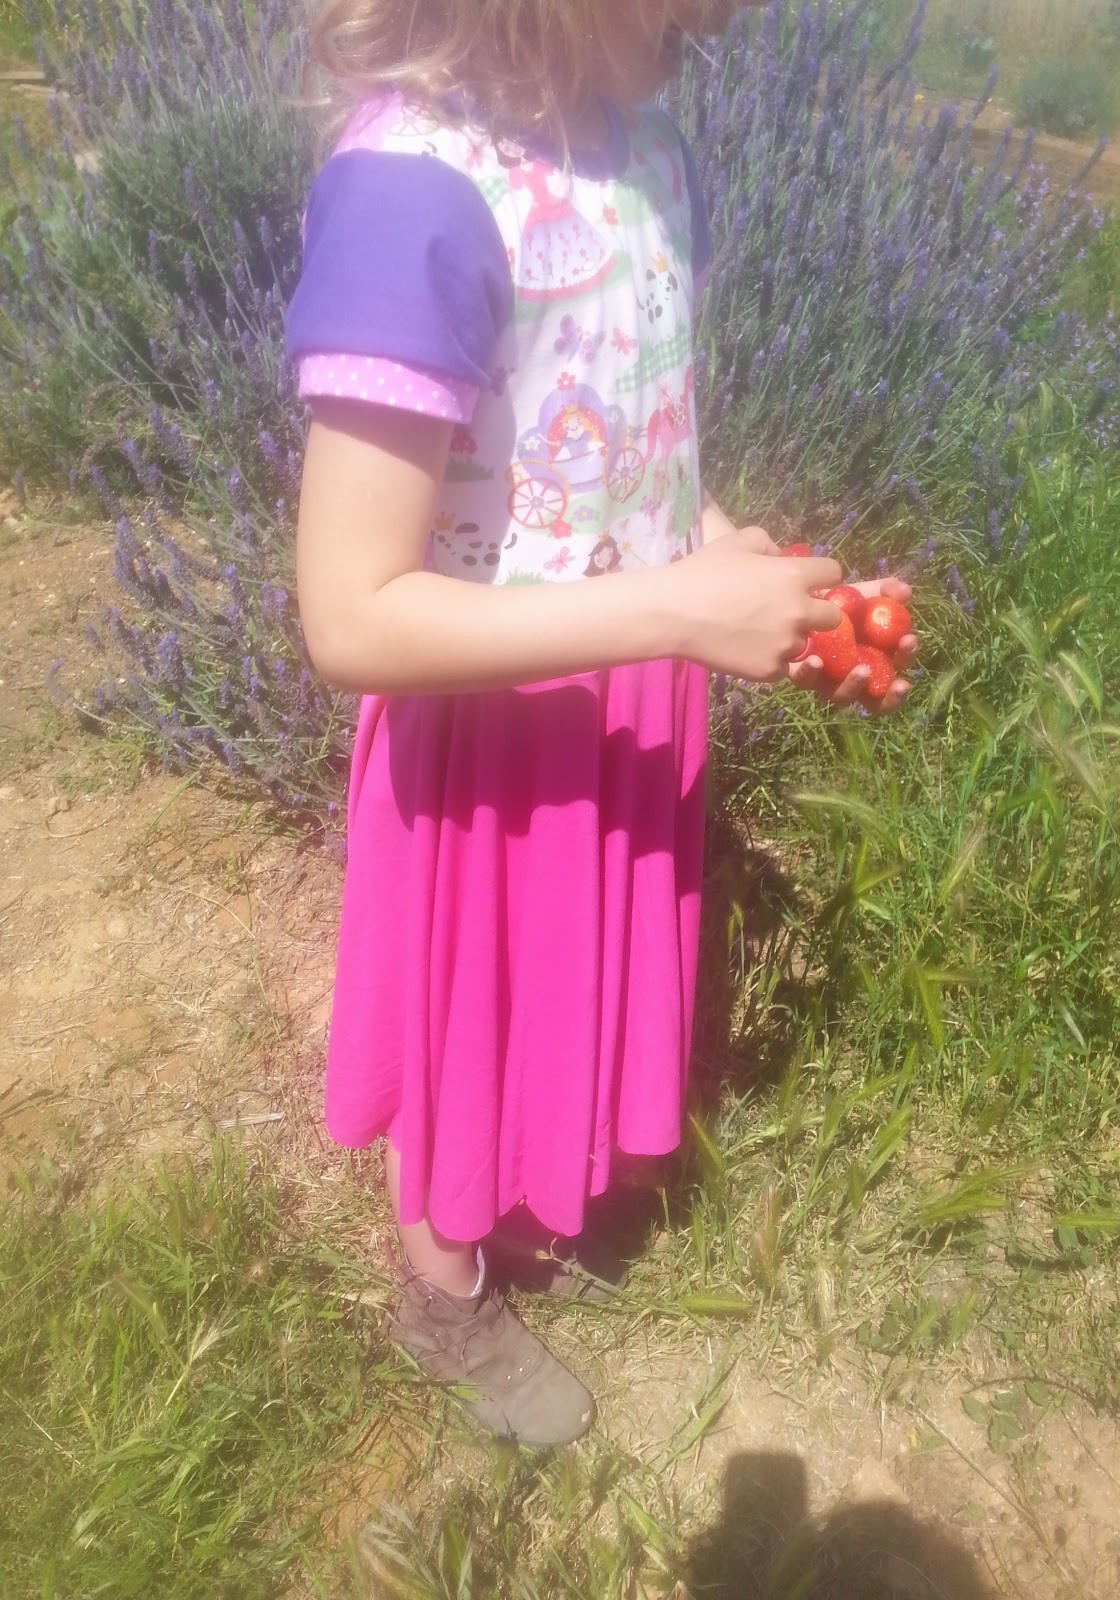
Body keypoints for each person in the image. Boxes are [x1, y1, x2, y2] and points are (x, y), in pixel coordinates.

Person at [286, 0, 917, 1449]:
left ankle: (531, 1180)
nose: (717, 23)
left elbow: (617, 414)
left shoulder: (642, 149)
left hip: (626, 679)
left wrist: (713, 547)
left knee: (561, 965)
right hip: (488, 722)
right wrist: (676, 610)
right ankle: (442, 1283)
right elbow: (352, 615)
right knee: (476, 990)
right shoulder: (415, 194)